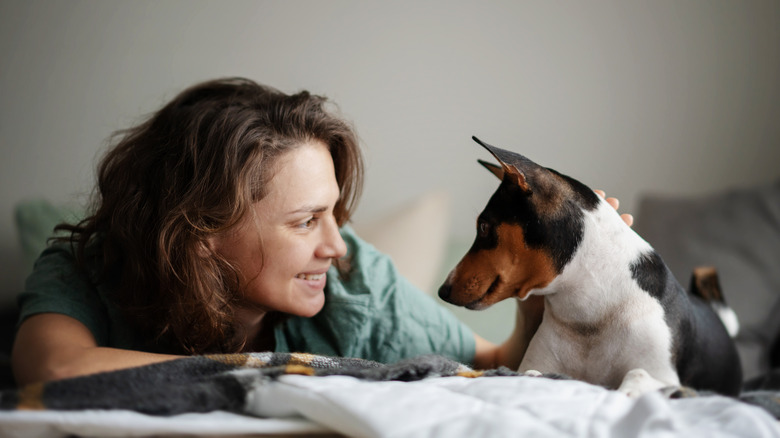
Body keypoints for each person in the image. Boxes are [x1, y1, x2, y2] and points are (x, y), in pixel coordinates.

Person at [11, 77, 632, 386]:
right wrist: (282, 372)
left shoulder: (355, 279)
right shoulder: (85, 266)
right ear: (199, 229)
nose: (335, 245)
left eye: (334, 212)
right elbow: (55, 366)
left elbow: (496, 364)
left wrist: (549, 282)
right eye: (306, 220)